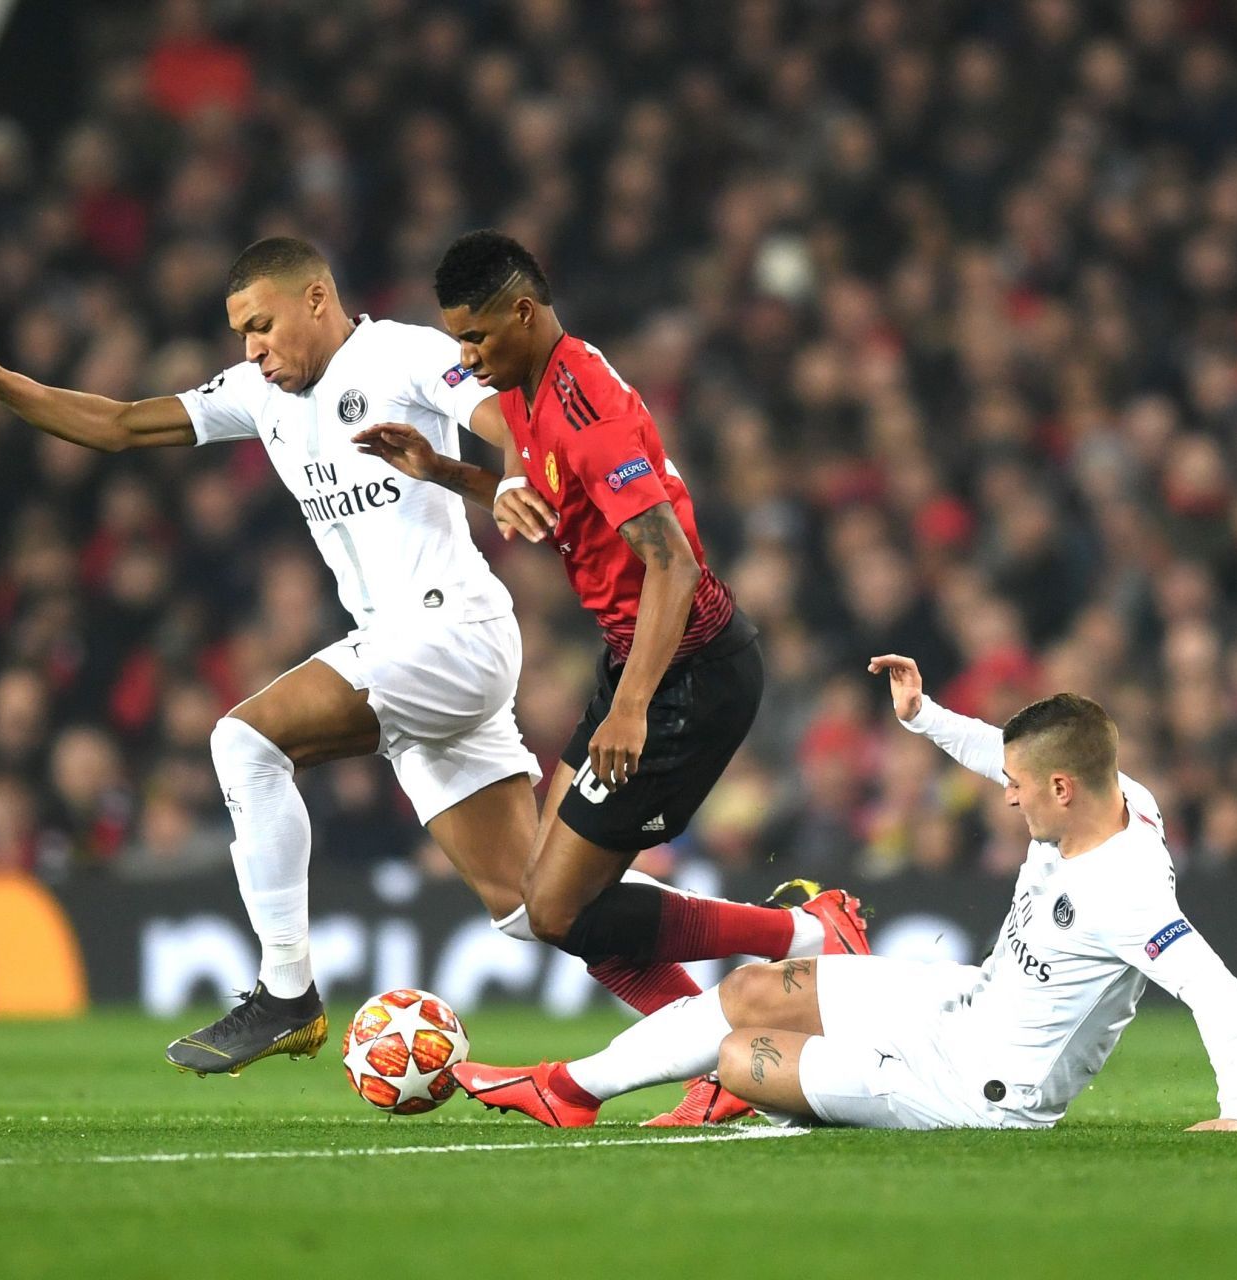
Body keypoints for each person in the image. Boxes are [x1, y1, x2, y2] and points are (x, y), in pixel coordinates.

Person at [0, 237, 857, 1085]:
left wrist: (507, 477)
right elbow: (119, 425)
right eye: (240, 335)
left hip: (446, 635)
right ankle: (781, 963)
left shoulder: (408, 356)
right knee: (531, 906)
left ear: (316, 299)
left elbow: (506, 412)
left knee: (243, 742)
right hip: (407, 658)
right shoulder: (255, 393)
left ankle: (288, 991)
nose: (254, 348)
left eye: (262, 325)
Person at [360, 229, 868, 1123]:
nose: (465, 358)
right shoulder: (528, 386)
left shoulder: (586, 408)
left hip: (686, 673)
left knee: (556, 908)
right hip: (636, 658)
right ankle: (733, 1054)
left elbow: (670, 563)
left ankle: (805, 935)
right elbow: (555, 499)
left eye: (475, 338)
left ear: (523, 311)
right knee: (552, 903)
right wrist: (443, 471)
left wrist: (630, 710)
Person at [450, 655, 1237, 1134]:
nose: (1008, 799)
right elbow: (1001, 754)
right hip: (969, 1000)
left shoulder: (1123, 890)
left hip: (981, 1089)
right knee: (749, 989)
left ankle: (756, 1088)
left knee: (743, 1058)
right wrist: (922, 716)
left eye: (1020, 789)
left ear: (1063, 787)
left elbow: (1215, 987)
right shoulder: (1106, 791)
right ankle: (571, 1089)